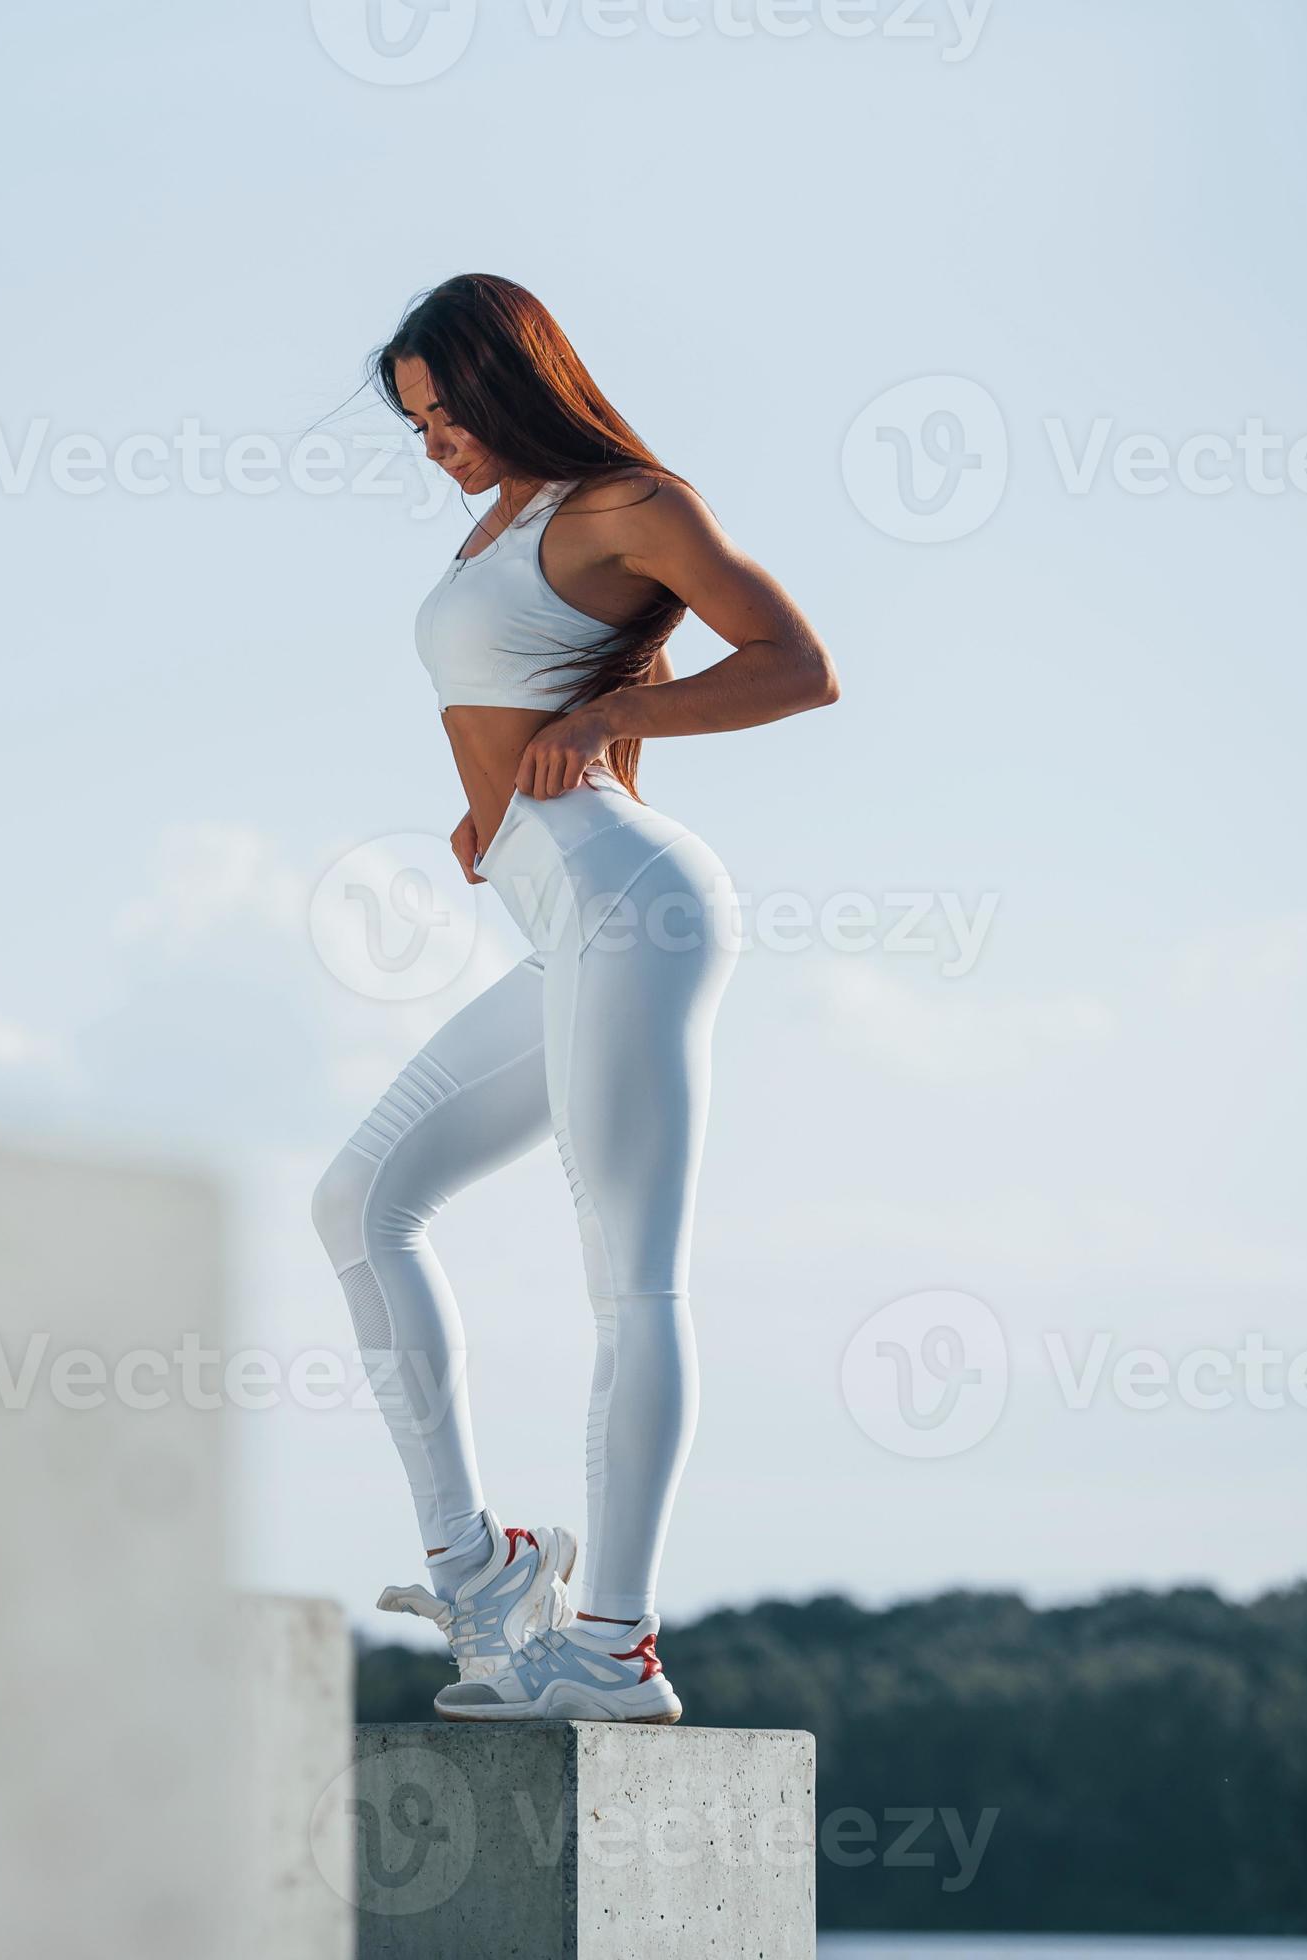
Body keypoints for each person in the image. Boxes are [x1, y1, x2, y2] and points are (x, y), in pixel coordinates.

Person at [312, 274, 840, 1722]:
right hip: (570, 916)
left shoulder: (625, 503)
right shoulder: (503, 529)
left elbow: (799, 665)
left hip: (635, 903)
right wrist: (497, 813)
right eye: (415, 426)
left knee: (631, 1282)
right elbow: (533, 682)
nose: (436, 445)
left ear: (513, 376)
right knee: (357, 1204)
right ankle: (485, 1573)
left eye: (448, 412)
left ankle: (613, 1649)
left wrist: (616, 719)